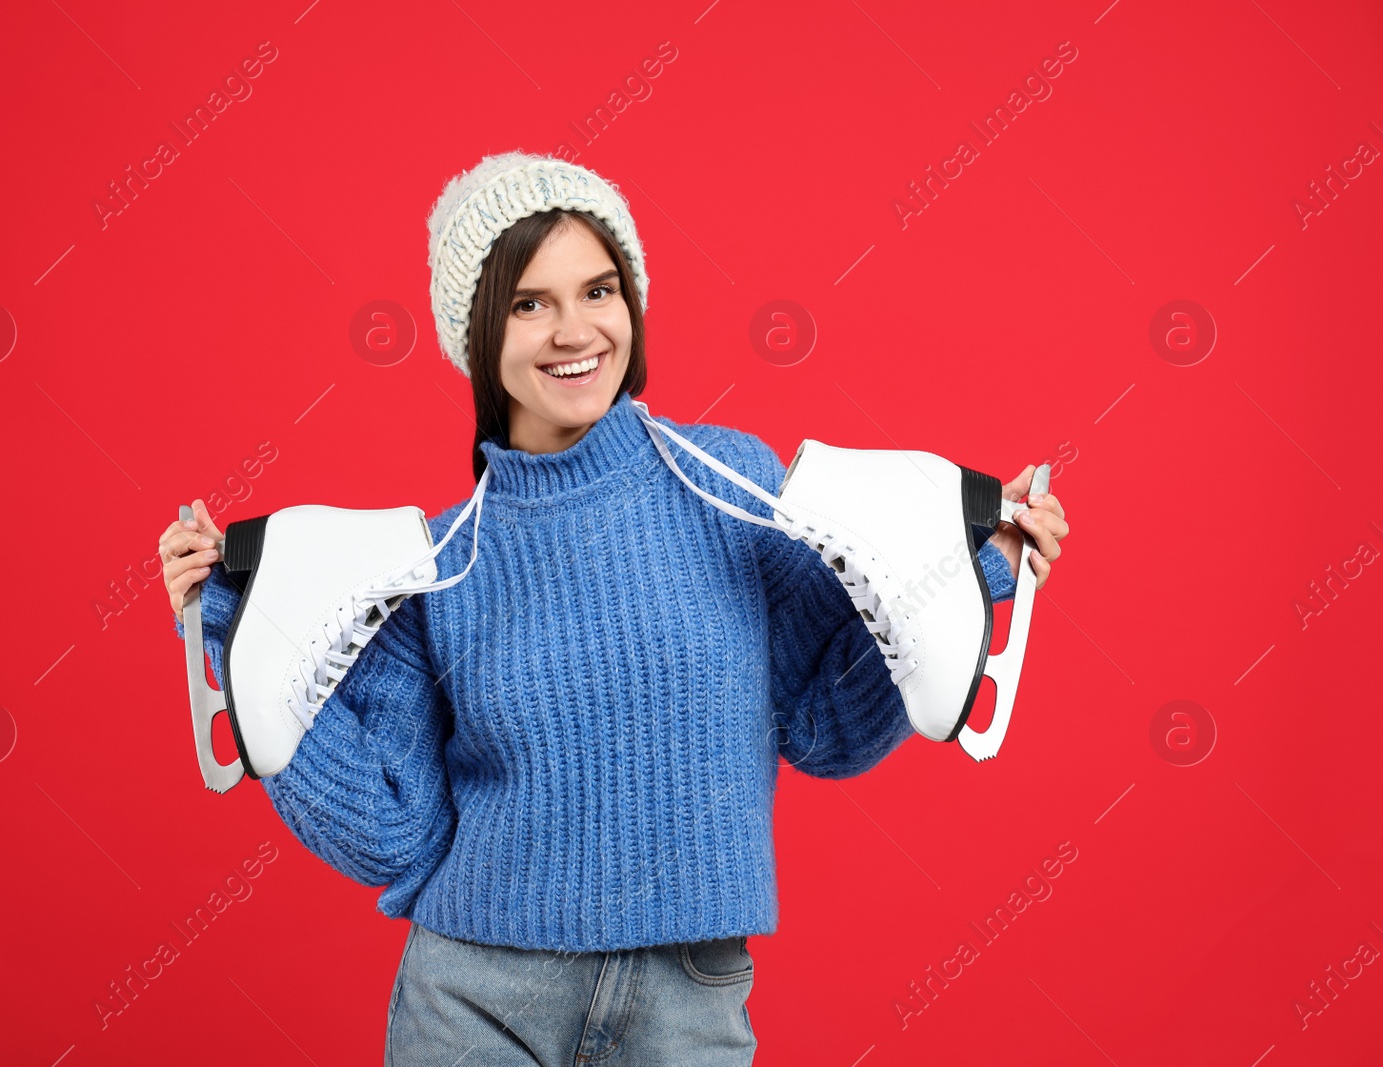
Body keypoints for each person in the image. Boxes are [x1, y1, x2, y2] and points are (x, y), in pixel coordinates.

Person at [156, 152, 1069, 1065]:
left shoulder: (733, 485)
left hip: (688, 1001)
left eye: (598, 290)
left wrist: (980, 571)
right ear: (478, 333)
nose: (573, 330)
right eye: (529, 303)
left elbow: (826, 726)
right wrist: (236, 632)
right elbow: (393, 832)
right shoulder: (437, 563)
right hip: (475, 1002)